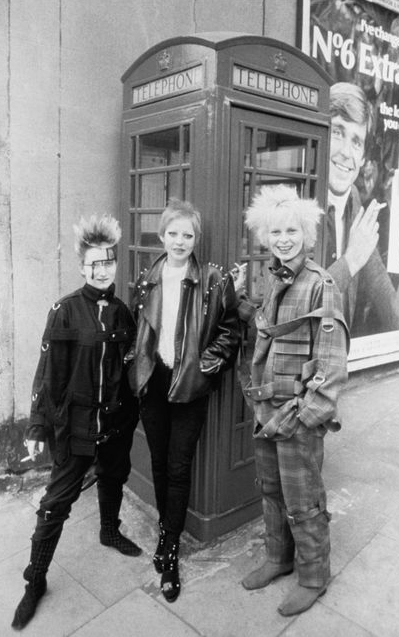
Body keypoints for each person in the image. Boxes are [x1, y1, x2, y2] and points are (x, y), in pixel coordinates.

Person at [12, 214, 141, 631]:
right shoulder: (65, 311)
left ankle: (109, 529)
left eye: (109, 262)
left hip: (116, 420)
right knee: (56, 503)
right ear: (82, 266)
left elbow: (132, 363)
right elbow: (47, 373)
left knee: (114, 476)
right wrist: (36, 426)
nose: (102, 270)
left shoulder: (122, 312)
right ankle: (35, 581)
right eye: (95, 263)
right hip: (77, 423)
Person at [238, 185, 349, 617]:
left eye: (292, 231)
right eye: (276, 231)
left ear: (307, 233)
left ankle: (313, 576)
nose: (284, 238)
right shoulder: (276, 278)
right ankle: (278, 558)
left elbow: (332, 362)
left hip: (297, 415)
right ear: (266, 237)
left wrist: (306, 416)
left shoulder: (322, 285)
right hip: (267, 409)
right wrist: (238, 301)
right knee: (271, 491)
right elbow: (271, 329)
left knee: (303, 500)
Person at [129, 198, 240, 603]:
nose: (180, 241)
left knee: (178, 466)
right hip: (154, 382)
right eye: (173, 233)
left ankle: (171, 551)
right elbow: (137, 329)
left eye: (187, 235)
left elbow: (230, 331)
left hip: (190, 384)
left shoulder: (213, 279)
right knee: (160, 463)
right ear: (162, 236)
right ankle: (165, 532)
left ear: (197, 239)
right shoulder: (149, 277)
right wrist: (134, 368)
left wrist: (205, 366)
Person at [326, 81, 399, 335]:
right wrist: (350, 261)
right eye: (337, 132)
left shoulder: (354, 199)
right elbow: (296, 308)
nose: (347, 153)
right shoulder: (295, 202)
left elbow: (380, 285)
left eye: (356, 141)